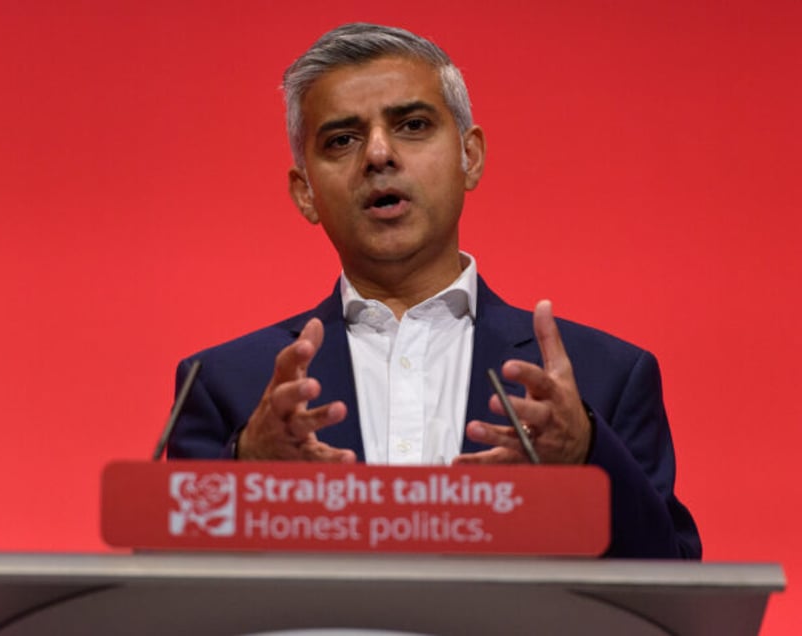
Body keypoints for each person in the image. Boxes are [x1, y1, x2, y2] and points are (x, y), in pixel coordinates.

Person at [168, 22, 701, 559]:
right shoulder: (225, 387)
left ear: (470, 157)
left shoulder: (602, 379)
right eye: (342, 140)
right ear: (305, 193)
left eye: (413, 125)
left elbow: (675, 591)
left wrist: (587, 452)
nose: (378, 154)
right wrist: (245, 468)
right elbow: (173, 599)